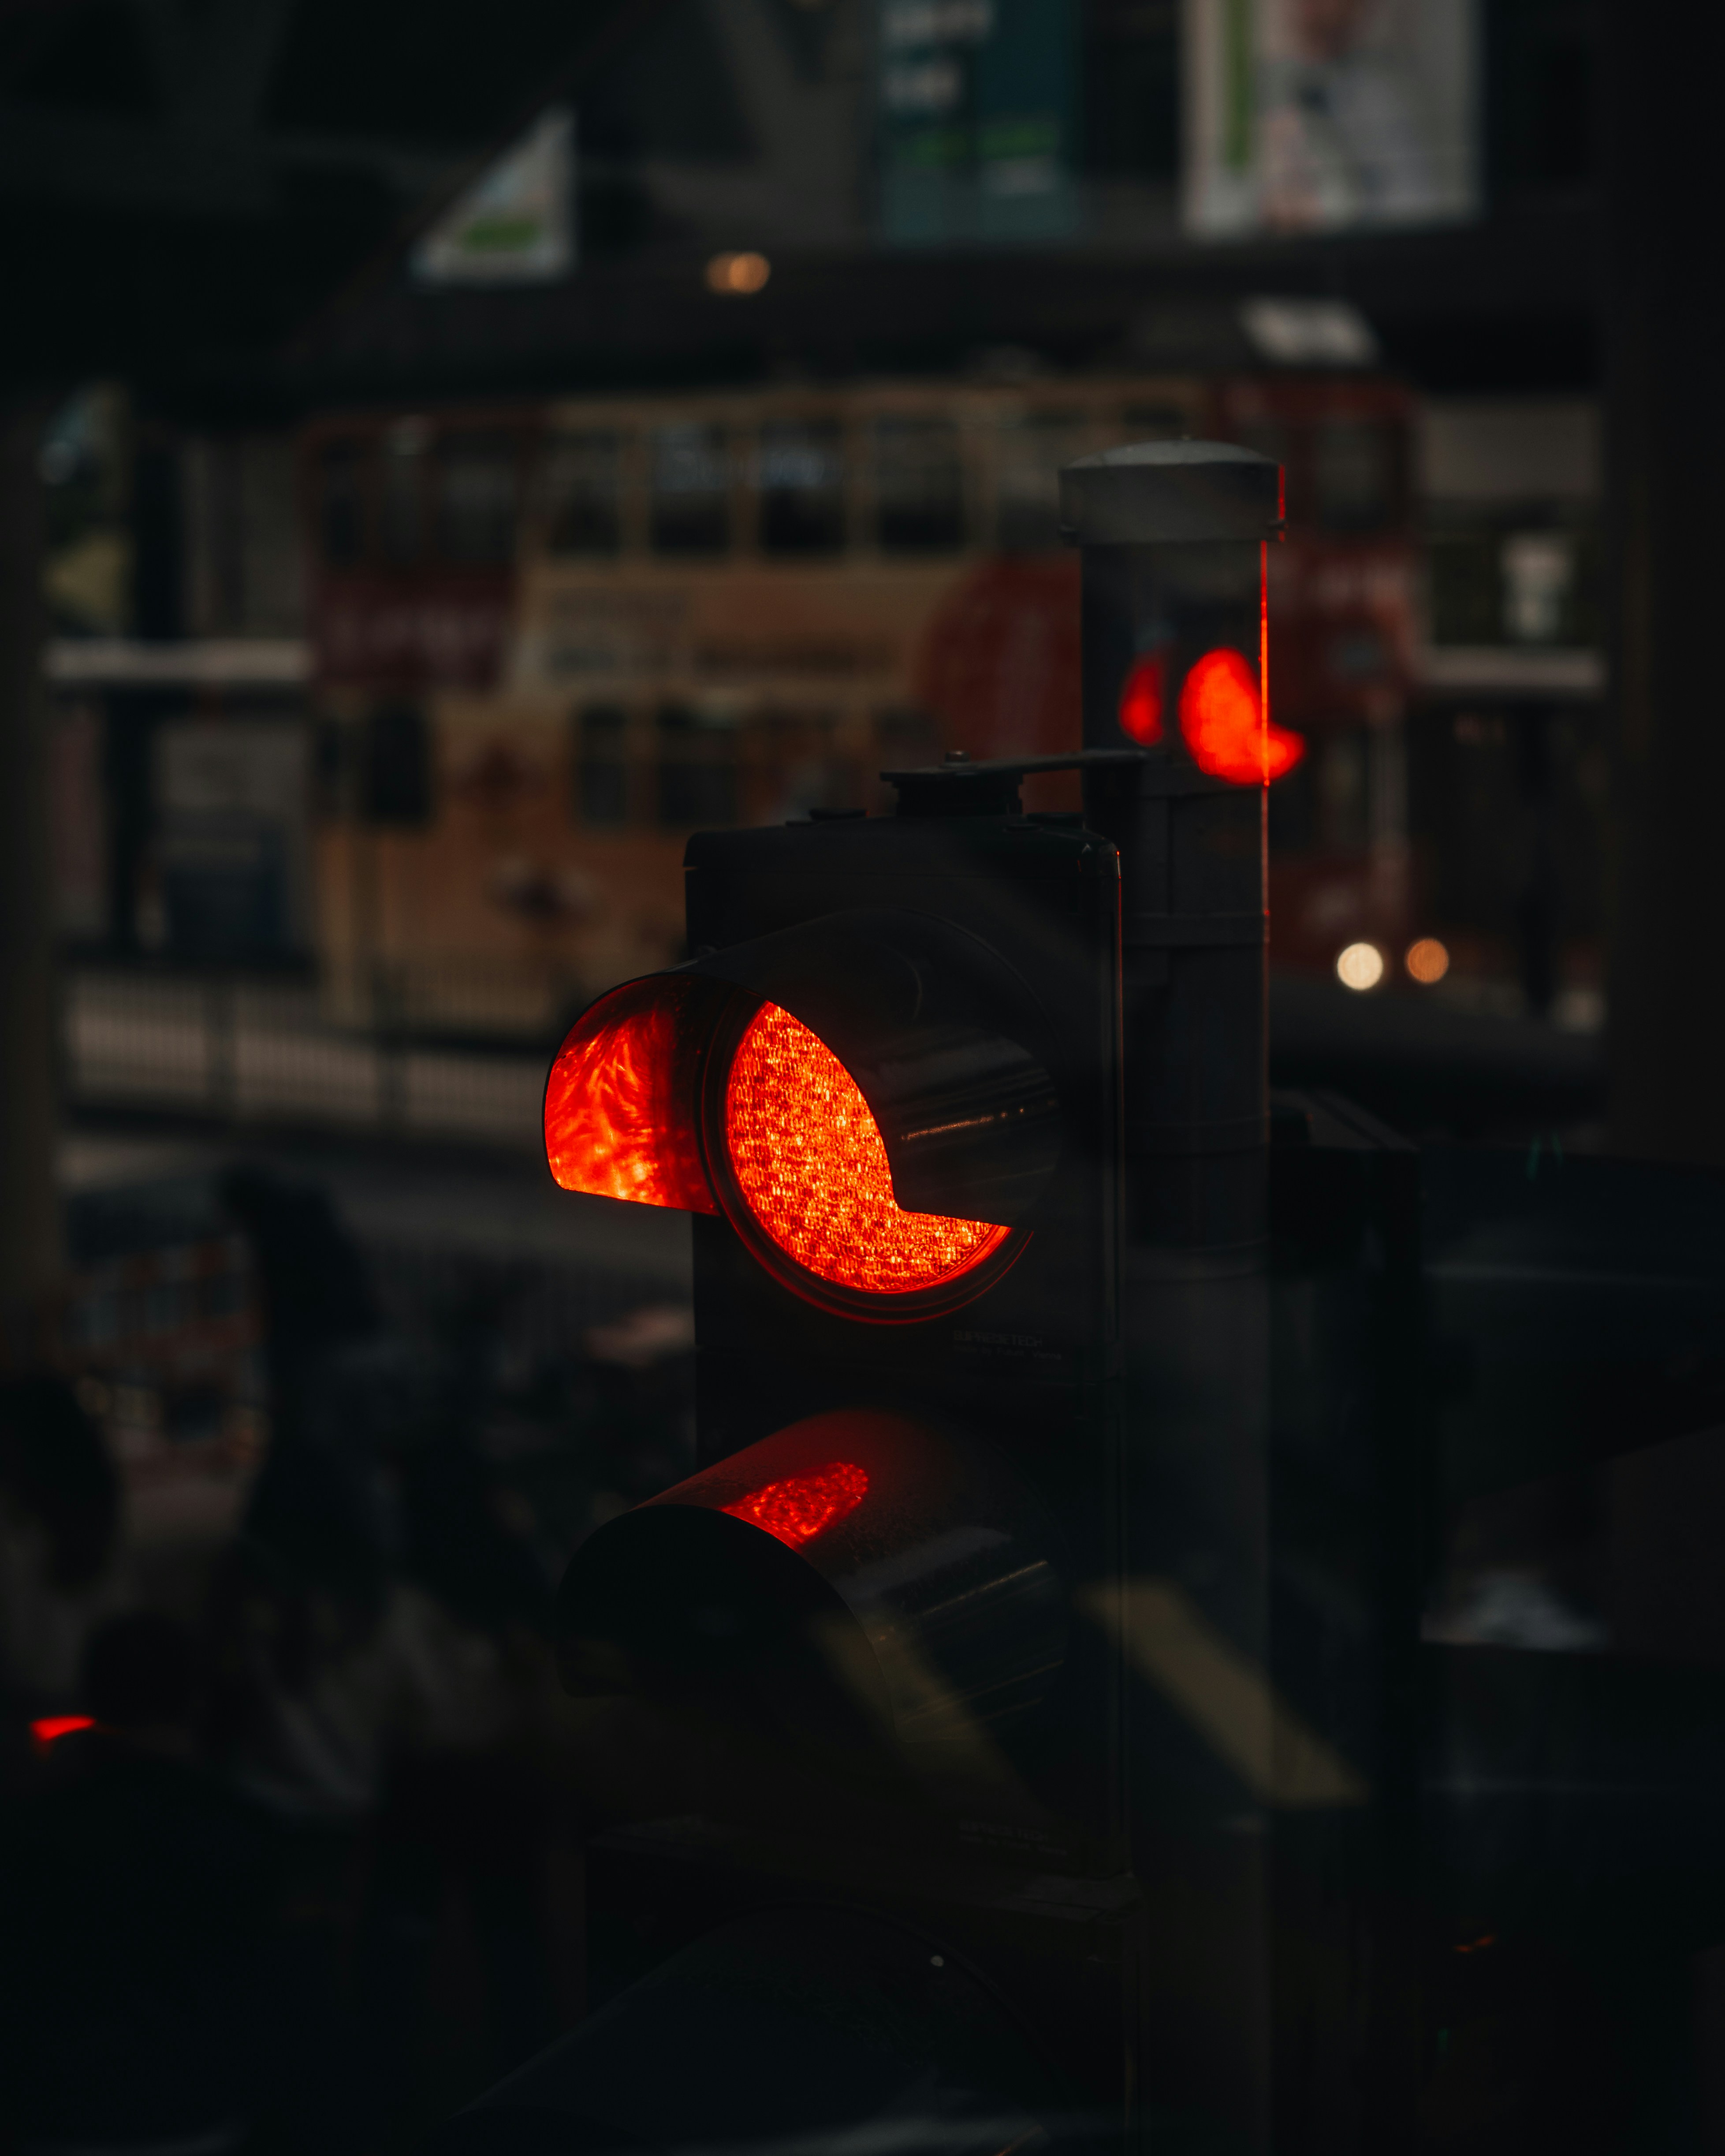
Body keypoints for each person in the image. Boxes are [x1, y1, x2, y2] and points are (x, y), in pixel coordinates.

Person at [0, 1612, 272, 2155]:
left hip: (55, 2118)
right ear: (197, 1701)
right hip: (194, 2118)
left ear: (91, 1701)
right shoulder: (242, 1829)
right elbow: (260, 1996)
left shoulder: (31, 1829)